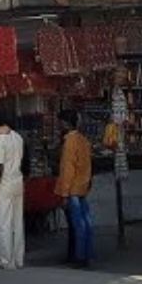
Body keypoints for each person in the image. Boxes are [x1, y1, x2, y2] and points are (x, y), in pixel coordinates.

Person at [0, 107, 25, 270]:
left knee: (2, 223)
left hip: (4, 184)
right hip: (17, 181)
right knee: (17, 222)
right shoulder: (17, 137)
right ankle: (18, 259)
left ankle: (5, 260)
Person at [56, 110, 94, 269]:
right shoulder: (83, 140)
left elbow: (67, 169)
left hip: (72, 188)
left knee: (78, 224)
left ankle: (79, 256)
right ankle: (85, 253)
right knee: (85, 223)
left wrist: (64, 193)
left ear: (65, 123)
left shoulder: (69, 142)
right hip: (82, 186)